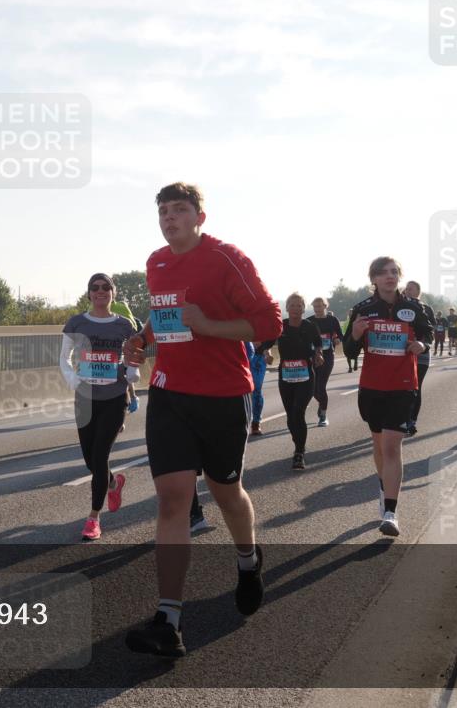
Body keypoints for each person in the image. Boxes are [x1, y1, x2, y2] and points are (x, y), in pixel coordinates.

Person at [123, 182, 282, 659]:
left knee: (226, 491)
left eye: (180, 210)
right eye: (164, 211)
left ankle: (248, 560)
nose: (169, 218)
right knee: (173, 500)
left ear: (199, 217)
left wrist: (209, 326)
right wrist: (144, 339)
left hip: (223, 396)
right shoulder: (156, 262)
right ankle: (168, 620)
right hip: (170, 393)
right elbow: (165, 313)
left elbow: (269, 322)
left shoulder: (226, 258)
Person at [342, 257, 432, 536]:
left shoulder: (414, 307)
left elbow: (428, 335)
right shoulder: (363, 309)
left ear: (399, 276)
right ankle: (385, 487)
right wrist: (356, 334)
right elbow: (348, 351)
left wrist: (421, 344)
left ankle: (391, 512)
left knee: (392, 446)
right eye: (383, 273)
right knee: (379, 445)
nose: (389, 277)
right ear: (374, 279)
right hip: (372, 387)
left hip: (403, 385)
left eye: (394, 272)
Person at [61, 274, 140, 540]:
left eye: (106, 287)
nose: (100, 291)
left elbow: (134, 353)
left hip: (115, 397)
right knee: (89, 459)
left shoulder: (124, 324)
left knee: (99, 456)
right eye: (95, 287)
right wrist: (72, 378)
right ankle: (113, 482)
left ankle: (93, 518)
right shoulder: (77, 322)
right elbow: (64, 357)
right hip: (85, 399)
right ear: (89, 293)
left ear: (113, 293)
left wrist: (131, 371)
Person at [276, 293, 324, 469]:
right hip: (286, 377)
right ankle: (298, 442)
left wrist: (318, 354)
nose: (296, 308)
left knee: (298, 412)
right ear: (287, 308)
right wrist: (266, 353)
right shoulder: (280, 326)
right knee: (290, 416)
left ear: (304, 308)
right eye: (292, 305)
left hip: (305, 376)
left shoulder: (310, 326)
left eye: (299, 305)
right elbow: (266, 343)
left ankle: (299, 452)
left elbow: (319, 344)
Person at [403, 281, 436, 436]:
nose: (407, 290)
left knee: (415, 387)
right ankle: (401, 419)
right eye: (406, 288)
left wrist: (422, 342)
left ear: (418, 292)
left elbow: (432, 331)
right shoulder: (399, 305)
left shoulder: (426, 308)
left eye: (411, 288)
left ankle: (412, 421)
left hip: (421, 353)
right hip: (402, 353)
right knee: (402, 388)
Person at [307, 297, 344, 427]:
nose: (317, 309)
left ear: (325, 306)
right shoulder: (309, 321)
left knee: (320, 386)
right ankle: (322, 403)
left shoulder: (332, 320)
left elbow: (340, 334)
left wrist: (338, 340)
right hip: (313, 356)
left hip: (328, 356)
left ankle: (323, 415)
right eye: (315, 306)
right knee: (312, 389)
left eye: (319, 306)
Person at [110, 298, 141, 430]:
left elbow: (132, 326)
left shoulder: (122, 306)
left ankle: (131, 399)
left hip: (123, 346)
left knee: (124, 378)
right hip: (107, 349)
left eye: (107, 288)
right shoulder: (94, 306)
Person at [248, 339, 271, 435]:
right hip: (241, 353)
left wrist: (268, 353)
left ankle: (256, 422)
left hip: (259, 357)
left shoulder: (264, 323)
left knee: (256, 388)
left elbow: (269, 338)